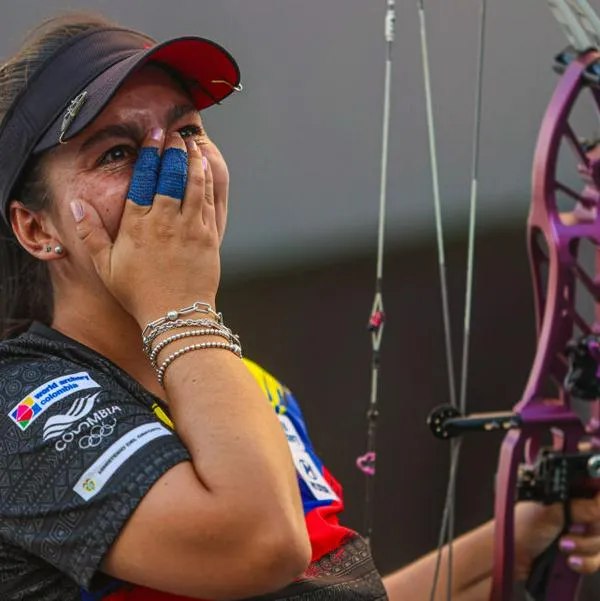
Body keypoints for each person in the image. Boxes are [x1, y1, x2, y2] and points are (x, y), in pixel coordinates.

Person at [0, 11, 599, 601]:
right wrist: (181, 303)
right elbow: (260, 544)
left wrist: (511, 544)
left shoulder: (250, 389)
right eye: (116, 153)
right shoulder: (22, 402)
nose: (175, 171)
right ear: (36, 228)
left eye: (187, 133)